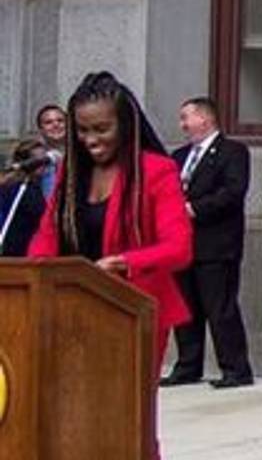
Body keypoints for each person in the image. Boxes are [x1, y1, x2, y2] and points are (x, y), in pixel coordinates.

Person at [27, 71, 193, 459]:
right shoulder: (72, 170)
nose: (91, 140)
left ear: (125, 124)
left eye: (101, 129)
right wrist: (37, 269)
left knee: (128, 415)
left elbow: (179, 247)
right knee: (75, 412)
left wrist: (123, 263)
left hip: (134, 310)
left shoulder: (156, 170)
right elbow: (48, 232)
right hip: (75, 308)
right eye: (82, 130)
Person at [161, 96, 254, 389]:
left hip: (216, 244)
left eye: (186, 117)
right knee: (186, 308)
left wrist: (194, 209)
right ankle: (188, 365)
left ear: (205, 118)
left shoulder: (232, 152)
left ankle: (235, 368)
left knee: (220, 308)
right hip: (183, 245)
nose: (183, 125)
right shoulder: (178, 157)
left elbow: (232, 191)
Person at [0, 137, 52, 256]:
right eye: (39, 161)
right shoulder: (24, 188)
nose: (43, 165)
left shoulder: (11, 183)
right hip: (17, 250)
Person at [34, 103, 67, 198]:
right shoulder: (34, 157)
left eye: (60, 121)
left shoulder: (81, 153)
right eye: (48, 122)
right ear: (41, 129)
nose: (56, 125)